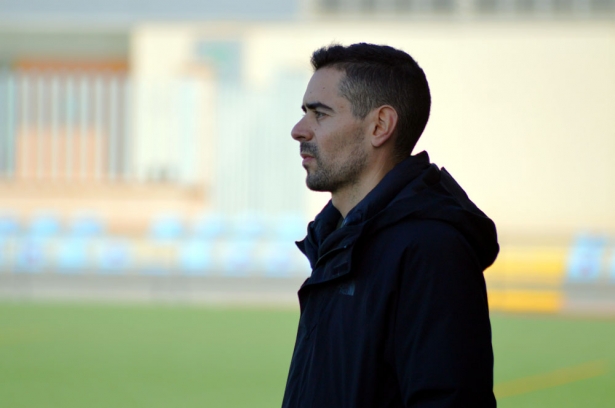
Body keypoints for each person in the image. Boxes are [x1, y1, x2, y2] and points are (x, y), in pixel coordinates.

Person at [282, 43, 499, 408]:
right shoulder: (336, 241)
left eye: (319, 114)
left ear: (380, 126)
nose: (298, 130)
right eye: (304, 112)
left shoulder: (431, 250)